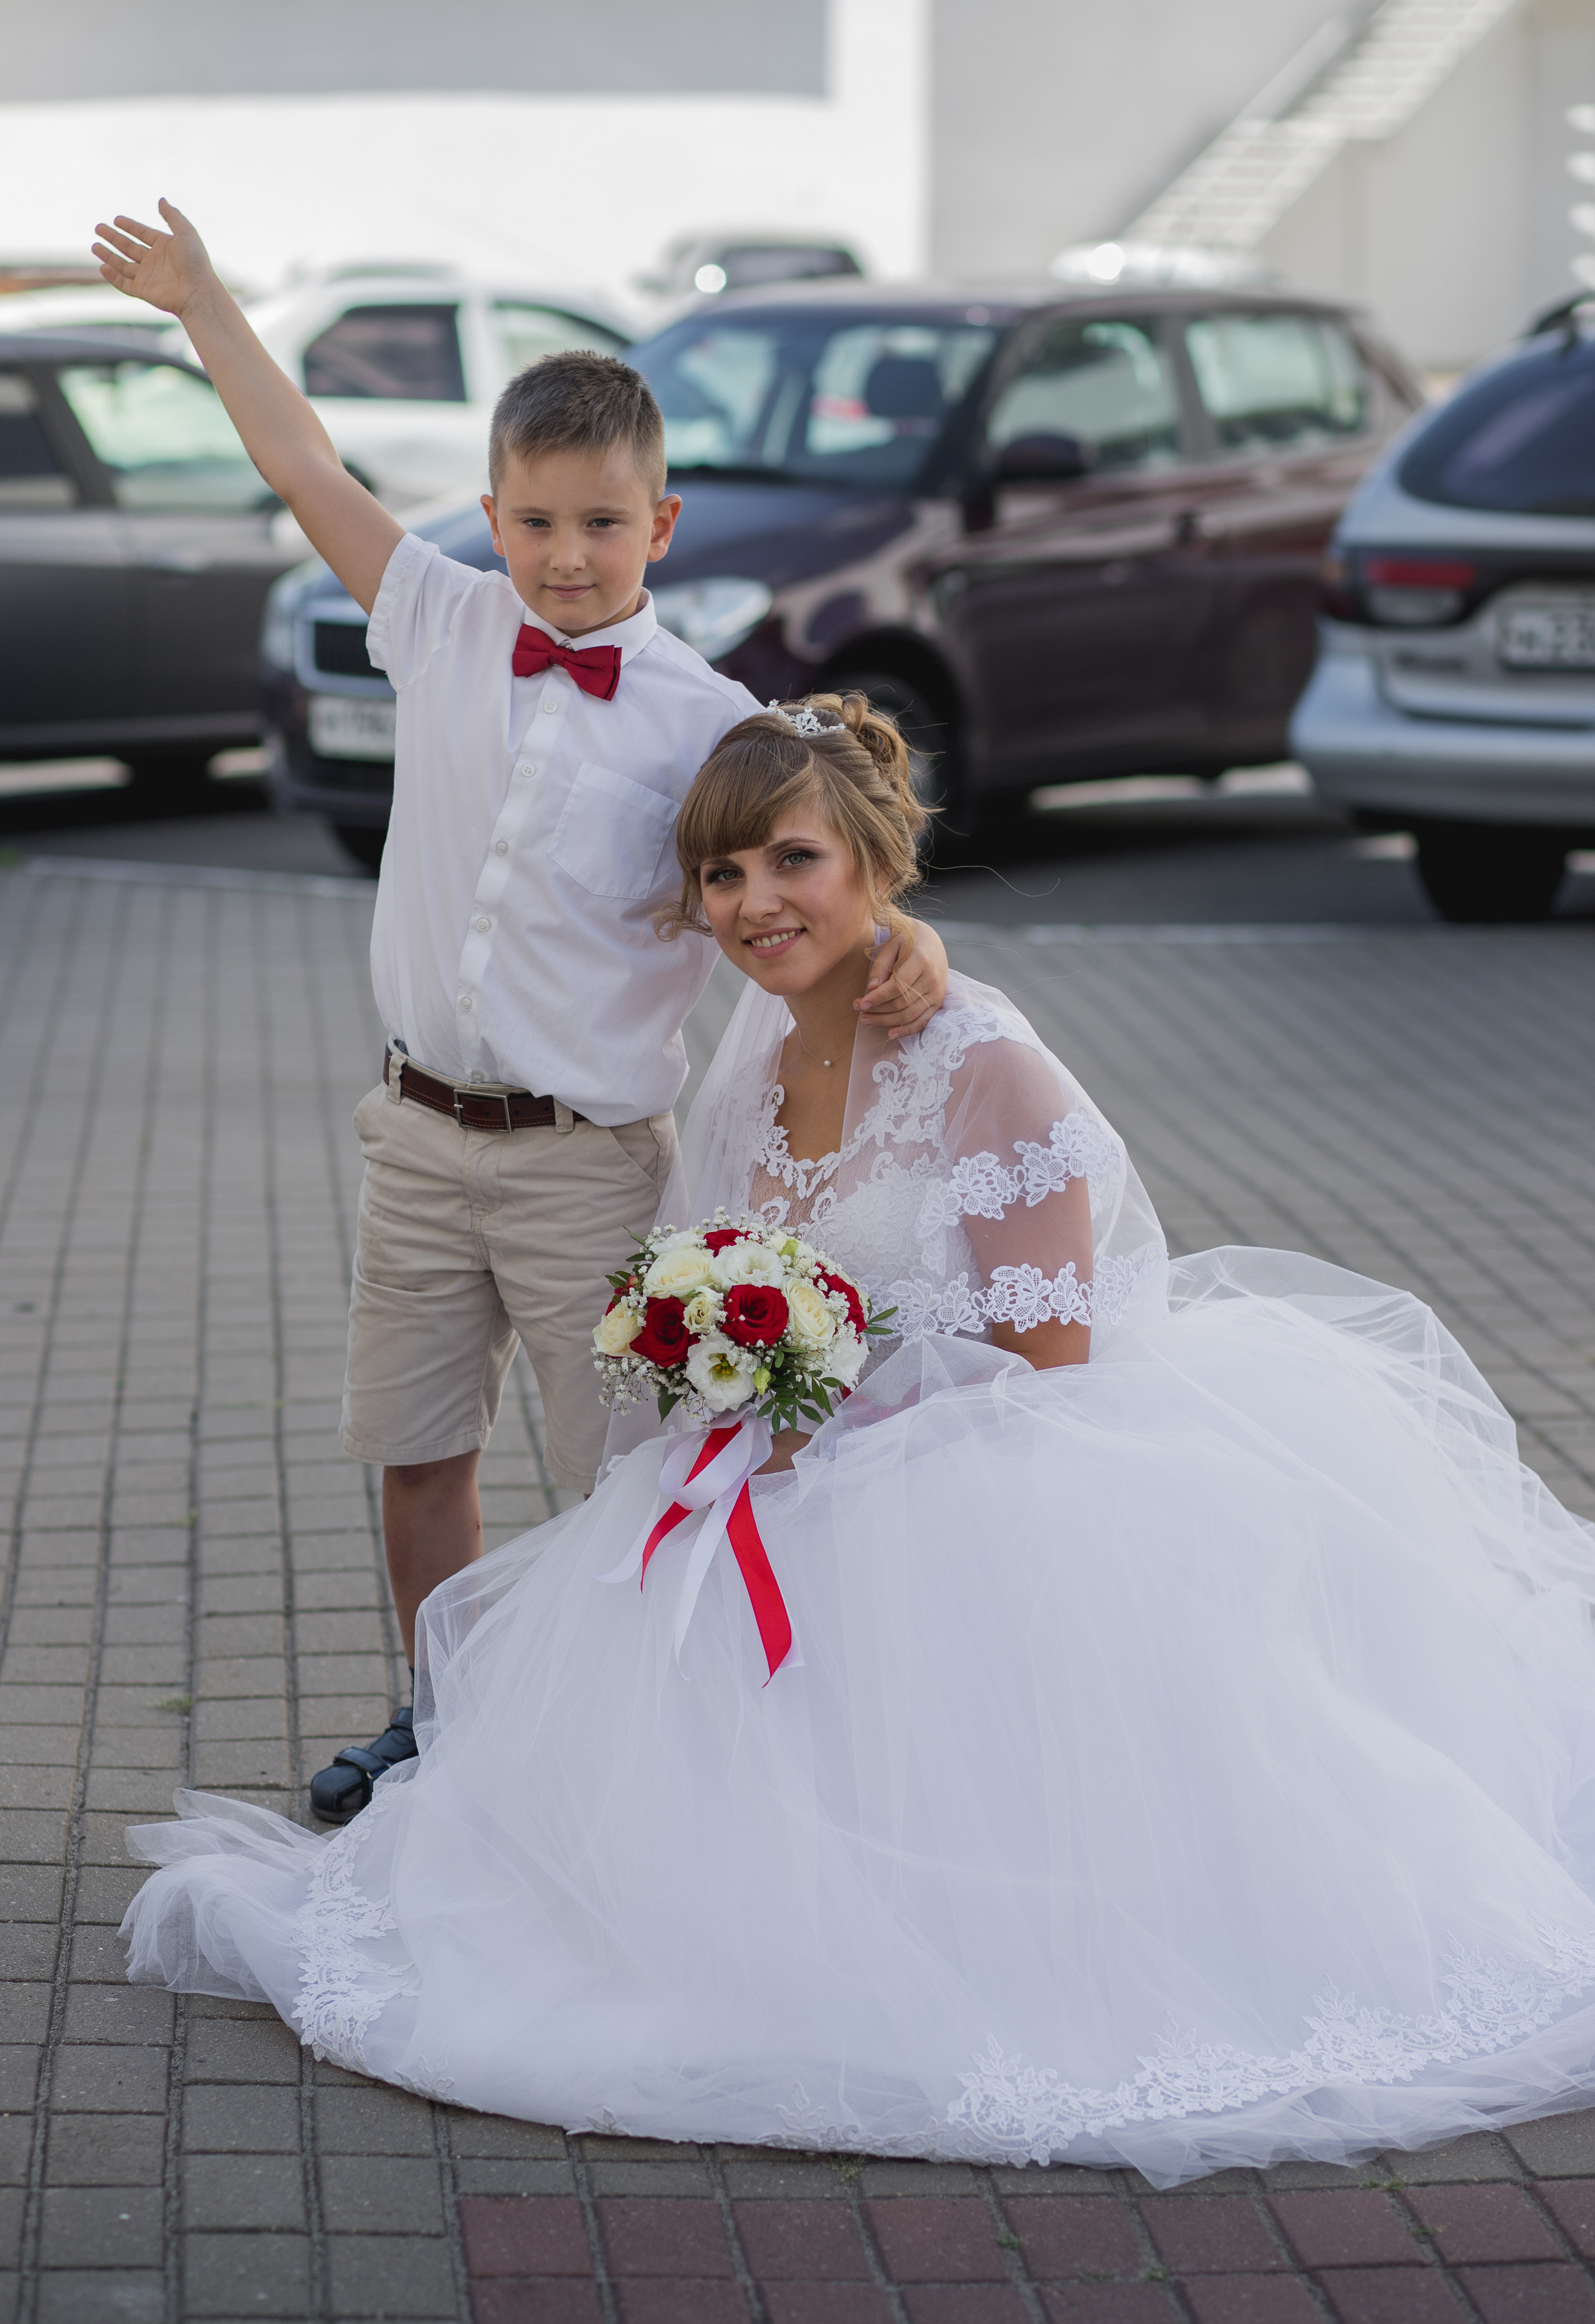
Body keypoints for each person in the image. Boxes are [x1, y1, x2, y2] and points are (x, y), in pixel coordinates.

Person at [123, 692, 1595, 2187]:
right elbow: (729, 1268)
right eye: (720, 876)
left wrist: (823, 1410)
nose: (754, 904)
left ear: (873, 862)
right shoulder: (753, 1062)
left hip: (996, 1483)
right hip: (801, 1463)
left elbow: (1048, 1361)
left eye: (790, 861)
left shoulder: (987, 1067)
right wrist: (726, 1376)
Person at [90, 205, 948, 1824]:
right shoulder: (441, 621)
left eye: (602, 525)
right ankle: (441, 1721)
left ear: (661, 525)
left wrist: (894, 960)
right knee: (418, 1457)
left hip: (589, 1167)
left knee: (630, 1476)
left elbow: (810, 882)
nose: (565, 556)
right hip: (414, 1135)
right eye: (537, 520)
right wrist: (202, 298)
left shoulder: (710, 725)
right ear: (491, 513)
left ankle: (656, 1750)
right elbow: (304, 468)